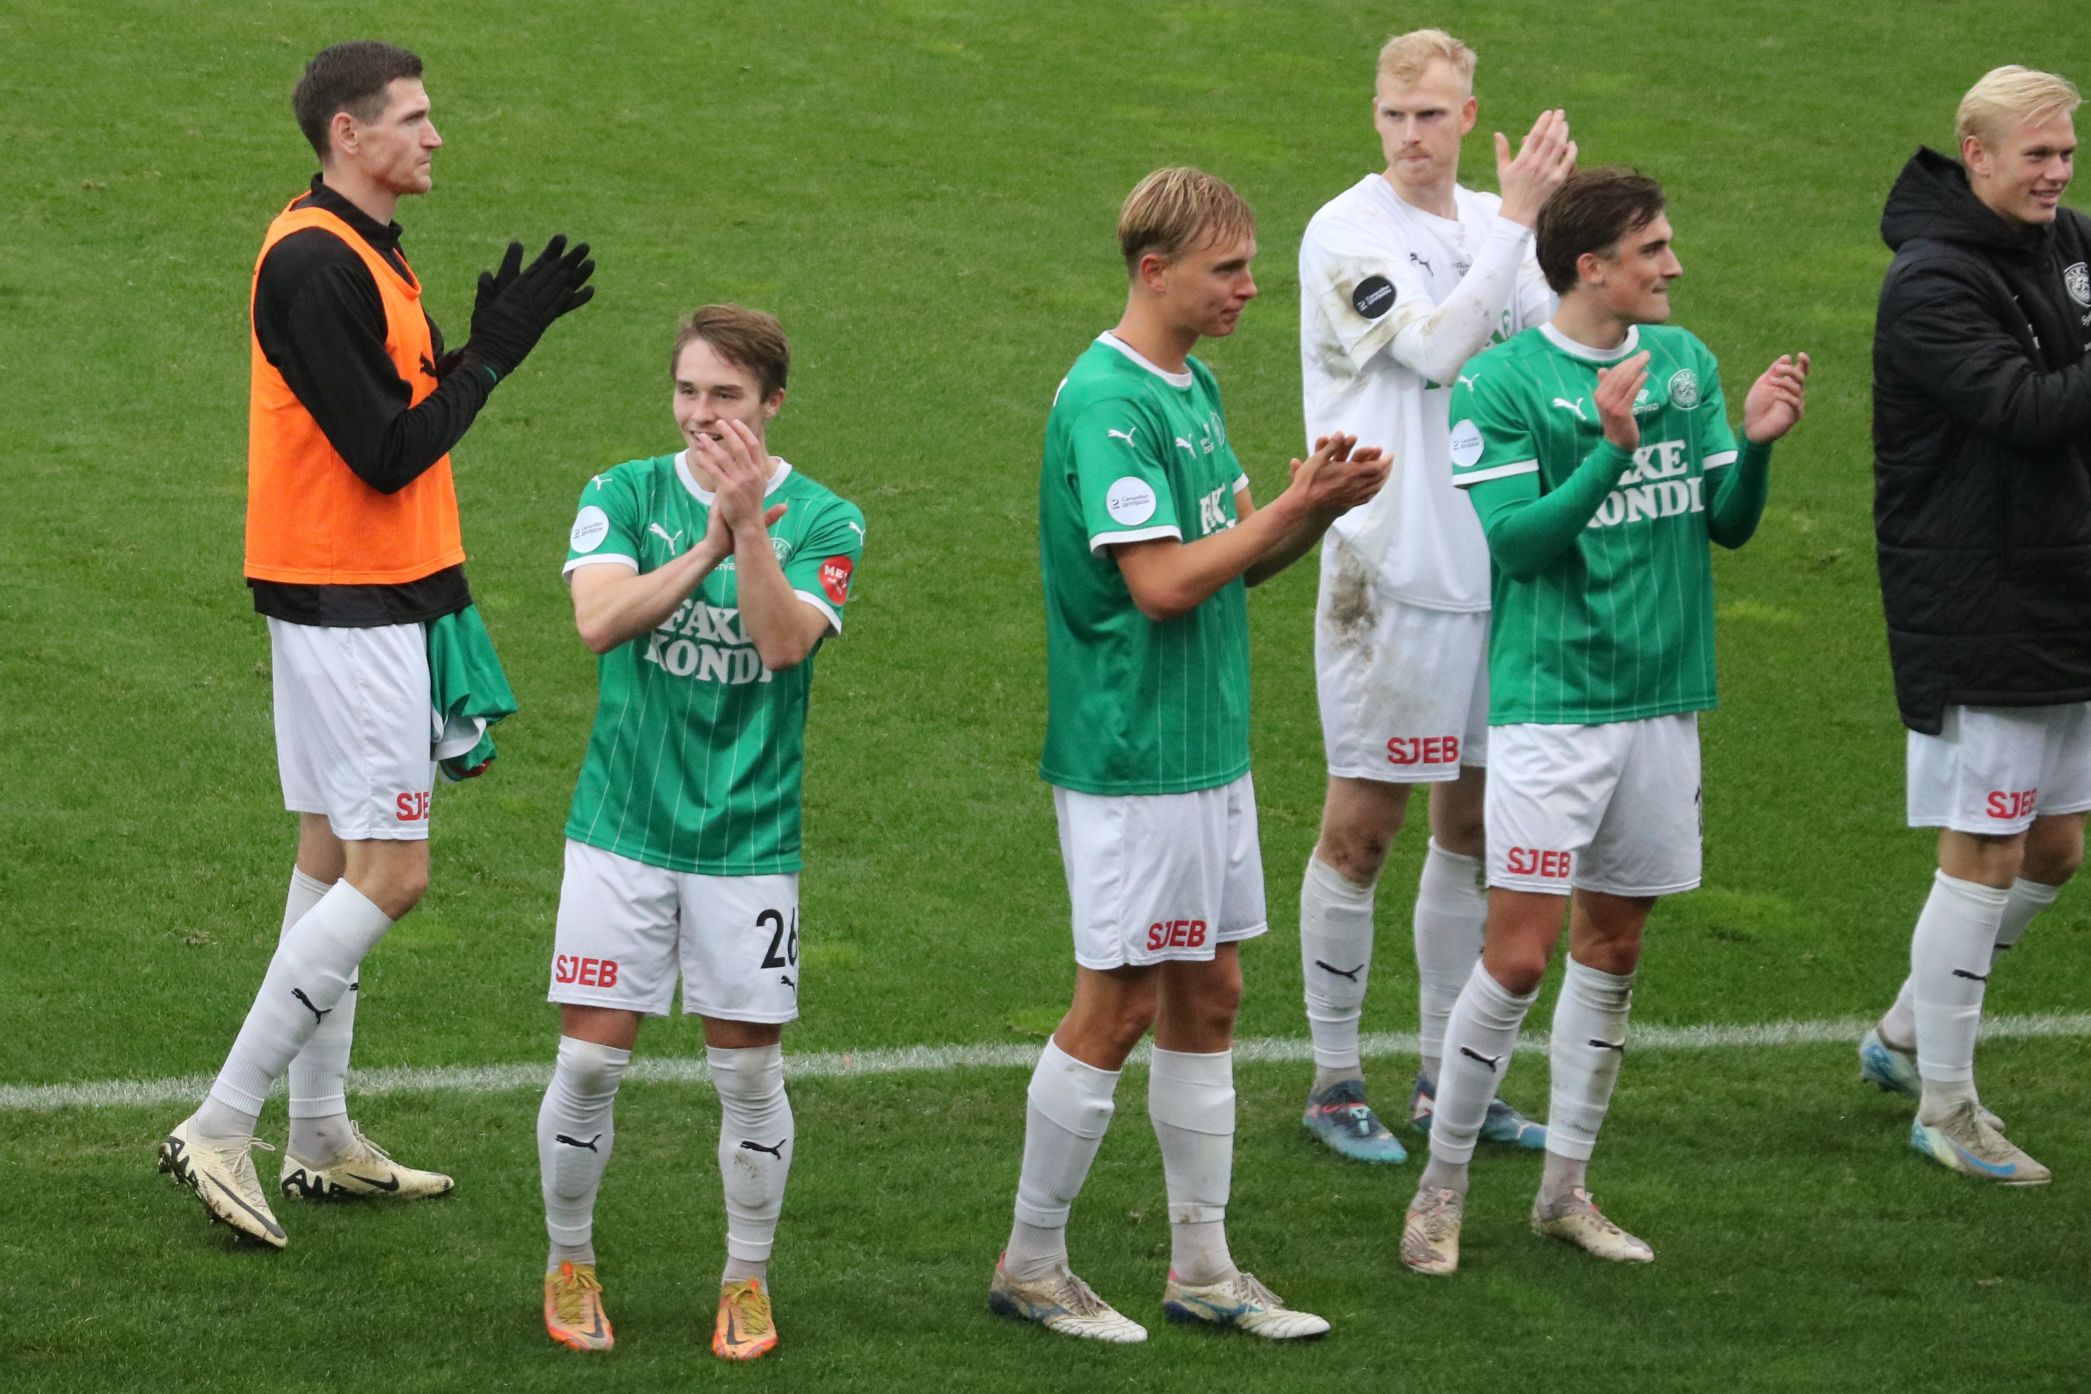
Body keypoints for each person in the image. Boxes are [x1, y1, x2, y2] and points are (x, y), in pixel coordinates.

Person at [157, 39, 594, 1249]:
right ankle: (221, 1119)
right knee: (391, 872)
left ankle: (321, 1131)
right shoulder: (313, 264)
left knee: (330, 850)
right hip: (348, 598)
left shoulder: (361, 248)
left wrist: (481, 348)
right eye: (413, 117)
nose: (435, 135)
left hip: (358, 590)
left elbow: (396, 417)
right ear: (350, 135)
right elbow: (388, 451)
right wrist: (495, 355)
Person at [987, 167, 1388, 1344]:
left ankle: (1204, 1264)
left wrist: (1312, 510)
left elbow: (1234, 558)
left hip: (1206, 750)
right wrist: (1290, 509)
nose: (1250, 289)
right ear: (1155, 271)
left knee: (1209, 992)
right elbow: (1162, 584)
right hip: (1133, 756)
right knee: (1113, 1008)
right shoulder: (1108, 405)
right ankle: (1033, 1261)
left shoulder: (1194, 383)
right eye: (1227, 270)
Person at [1398, 168, 1809, 1275]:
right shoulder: (1501, 383)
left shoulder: (1686, 363)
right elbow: (1521, 546)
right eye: (1654, 248)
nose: (1673, 265)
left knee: (1616, 947)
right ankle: (1438, 1188)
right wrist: (1611, 448)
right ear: (1592, 266)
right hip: (1555, 709)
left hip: (1664, 703)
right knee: (1522, 958)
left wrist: (1759, 441)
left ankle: (1565, 1187)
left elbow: (1726, 526)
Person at [536, 306, 864, 1361]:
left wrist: (752, 531)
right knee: (588, 1065)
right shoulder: (623, 492)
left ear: (773, 402)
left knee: (748, 1075)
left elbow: (779, 644)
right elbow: (599, 620)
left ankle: (747, 1280)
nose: (702, 415)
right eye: (688, 391)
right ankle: (569, 1260)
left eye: (726, 395)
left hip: (749, 840)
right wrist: (707, 545)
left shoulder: (826, 519)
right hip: (621, 827)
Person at [1294, 26, 1573, 1163]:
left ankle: (1444, 1077)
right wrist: (1518, 221)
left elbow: (1550, 348)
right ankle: (1331, 1078)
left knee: (1473, 825)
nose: (1414, 135)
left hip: (1497, 566)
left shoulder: (1504, 228)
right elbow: (1440, 353)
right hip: (1392, 570)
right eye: (1396, 115)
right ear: (1377, 119)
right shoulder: (1346, 231)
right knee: (1365, 826)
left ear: (1470, 116)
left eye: (1434, 114)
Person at [1860, 65, 2089, 1186]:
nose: (2055, 173)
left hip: (2066, 588)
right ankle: (1946, 1101)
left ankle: (1906, 1030)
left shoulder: (2068, 244)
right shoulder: (1930, 283)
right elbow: (2025, 411)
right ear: (1977, 152)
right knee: (1989, 847)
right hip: (1979, 594)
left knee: (2056, 844)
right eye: (2035, 154)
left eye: (2067, 152)